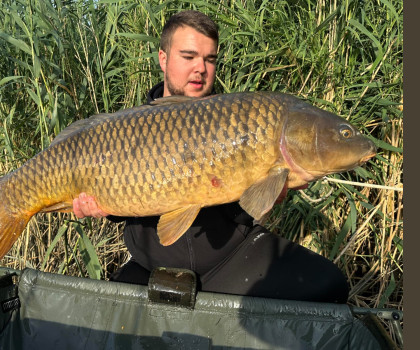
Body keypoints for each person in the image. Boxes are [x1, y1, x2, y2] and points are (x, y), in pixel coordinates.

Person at [72, 10, 349, 303]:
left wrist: (270, 192)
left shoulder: (239, 117)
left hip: (230, 259)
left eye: (210, 59)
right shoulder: (128, 129)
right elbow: (124, 193)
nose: (201, 69)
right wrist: (101, 205)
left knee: (330, 286)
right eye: (189, 57)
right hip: (152, 266)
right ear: (163, 59)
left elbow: (256, 204)